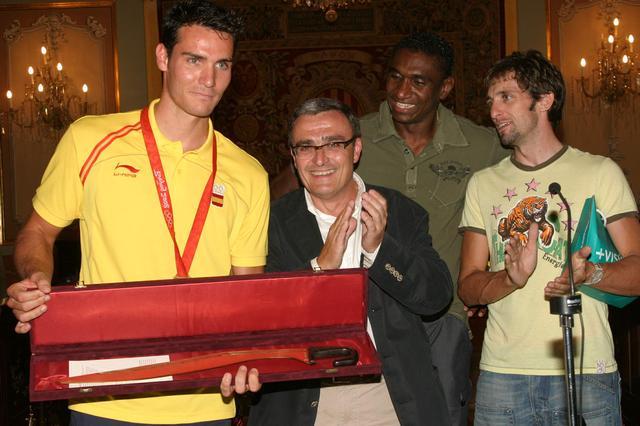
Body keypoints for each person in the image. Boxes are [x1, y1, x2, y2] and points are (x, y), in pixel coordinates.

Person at [6, 1, 268, 425]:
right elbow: (37, 231)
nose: (209, 79)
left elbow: (246, 296)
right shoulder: (90, 139)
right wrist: (37, 279)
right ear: (163, 57)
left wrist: (248, 356)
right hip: (103, 394)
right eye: (194, 60)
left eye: (222, 64)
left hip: (203, 398)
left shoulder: (248, 173)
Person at [458, 50, 640, 425]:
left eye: (506, 97)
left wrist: (590, 274)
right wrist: (510, 278)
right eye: (491, 101)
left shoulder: (600, 172)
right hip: (502, 375)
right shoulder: (483, 184)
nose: (494, 111)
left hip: (585, 372)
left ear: (544, 100)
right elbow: (468, 287)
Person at [248, 98, 452, 425]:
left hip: (387, 397)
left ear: (355, 150)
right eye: (306, 147)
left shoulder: (399, 211)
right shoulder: (269, 223)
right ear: (293, 157)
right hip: (302, 400)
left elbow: (436, 298)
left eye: (333, 144)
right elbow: (256, 319)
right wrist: (318, 269)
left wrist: (380, 249)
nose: (320, 159)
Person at [356, 31, 509, 425]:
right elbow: (292, 198)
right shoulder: (354, 137)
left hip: (442, 315)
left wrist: (484, 278)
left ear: (445, 88)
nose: (401, 91)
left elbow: (511, 210)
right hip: (367, 314)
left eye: (418, 81)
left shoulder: (481, 146)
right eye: (395, 76)